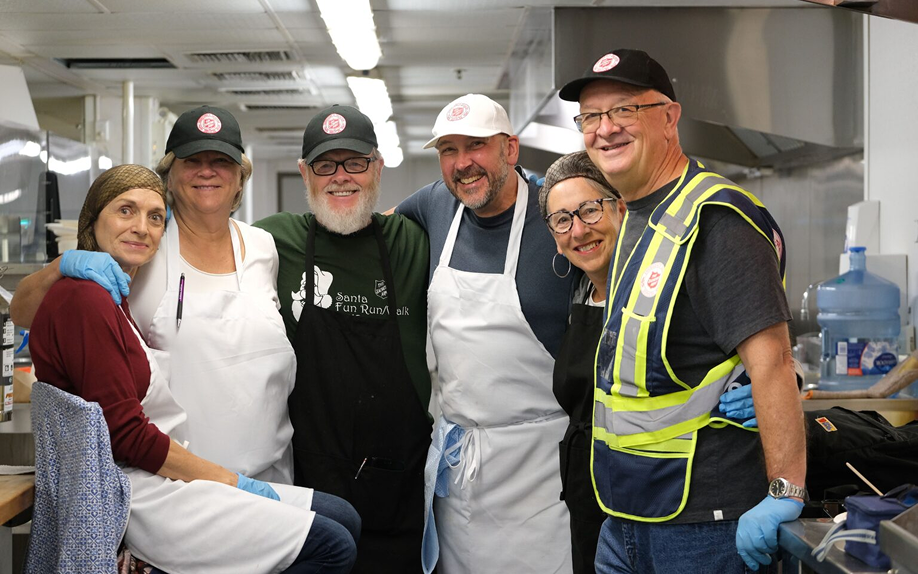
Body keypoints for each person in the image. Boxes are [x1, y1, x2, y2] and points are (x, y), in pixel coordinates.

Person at [29, 164, 358, 573]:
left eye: (154, 217)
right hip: (139, 490)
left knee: (344, 516)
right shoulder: (85, 299)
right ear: (92, 218)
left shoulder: (113, 296)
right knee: (334, 545)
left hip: (163, 472)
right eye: (125, 211)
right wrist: (227, 480)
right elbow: (127, 435)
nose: (142, 227)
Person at [558, 48, 806, 573]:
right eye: (590, 117)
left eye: (623, 110)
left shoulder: (717, 220)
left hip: (705, 522)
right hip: (626, 512)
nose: (604, 129)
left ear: (669, 117)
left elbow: (774, 363)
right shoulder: (635, 217)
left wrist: (787, 490)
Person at [12, 106, 297, 486]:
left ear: (240, 177)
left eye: (221, 161)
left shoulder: (263, 247)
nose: (207, 171)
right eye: (192, 160)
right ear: (169, 175)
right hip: (181, 480)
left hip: (274, 471)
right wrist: (63, 264)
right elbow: (23, 313)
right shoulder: (145, 244)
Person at [397, 94, 576, 574]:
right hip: (459, 467)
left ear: (510, 149)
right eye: (448, 150)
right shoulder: (435, 205)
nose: (462, 163)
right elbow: (378, 230)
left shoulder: (557, 214)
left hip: (540, 473)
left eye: (476, 145)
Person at [254, 104, 432, 573]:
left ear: (377, 166)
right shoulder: (271, 241)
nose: (341, 177)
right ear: (304, 173)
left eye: (355, 162)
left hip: (401, 493)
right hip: (306, 491)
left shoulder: (412, 240)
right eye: (325, 165)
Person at [538, 151, 625, 574]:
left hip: (647, 495)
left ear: (620, 207)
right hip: (584, 495)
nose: (579, 230)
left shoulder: (658, 292)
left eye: (589, 209)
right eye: (562, 220)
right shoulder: (577, 296)